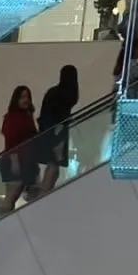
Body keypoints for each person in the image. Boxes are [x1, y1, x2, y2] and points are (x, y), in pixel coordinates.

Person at [37, 64, 79, 195]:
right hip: (57, 133)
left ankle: (43, 192)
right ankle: (43, 194)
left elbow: (46, 116)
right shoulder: (63, 94)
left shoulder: (53, 92)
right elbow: (56, 117)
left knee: (52, 166)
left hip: (50, 132)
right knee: (54, 167)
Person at [0, 85, 39, 213]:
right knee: (12, 195)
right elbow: (11, 142)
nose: (26, 100)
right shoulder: (12, 118)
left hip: (26, 162)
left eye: (27, 97)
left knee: (17, 194)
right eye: (22, 97)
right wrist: (15, 162)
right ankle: (3, 219)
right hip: (14, 161)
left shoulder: (27, 116)